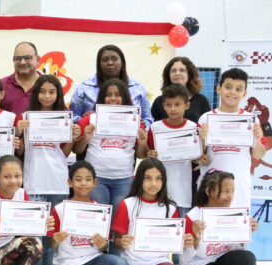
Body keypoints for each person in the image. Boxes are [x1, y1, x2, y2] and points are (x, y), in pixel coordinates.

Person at [16, 75, 81, 265]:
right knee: (35, 231)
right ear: (37, 93)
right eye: (42, 91)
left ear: (58, 95)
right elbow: (21, 151)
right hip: (34, 179)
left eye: (51, 92)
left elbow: (64, 152)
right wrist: (19, 132)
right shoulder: (26, 117)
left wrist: (72, 136)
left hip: (57, 180)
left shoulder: (64, 118)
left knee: (52, 232)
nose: (46, 96)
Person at [111, 158, 190, 265]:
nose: (153, 184)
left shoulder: (171, 208)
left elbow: (175, 242)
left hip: (160, 263)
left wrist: (185, 241)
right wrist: (122, 242)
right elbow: (117, 242)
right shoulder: (127, 204)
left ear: (164, 181)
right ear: (140, 179)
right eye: (148, 178)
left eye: (158, 179)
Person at [50, 161, 129, 265]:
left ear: (95, 182)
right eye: (78, 179)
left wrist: (103, 246)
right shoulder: (59, 209)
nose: (83, 183)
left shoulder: (102, 211)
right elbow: (52, 244)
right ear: (70, 182)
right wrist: (56, 239)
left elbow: (104, 248)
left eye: (88, 179)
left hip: (94, 261)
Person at [182, 170, 258, 265]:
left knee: (248, 258)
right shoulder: (193, 217)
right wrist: (196, 240)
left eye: (232, 191)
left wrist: (246, 233)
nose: (230, 196)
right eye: (225, 191)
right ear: (209, 191)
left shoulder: (234, 213)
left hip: (219, 260)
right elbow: (185, 260)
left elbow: (236, 250)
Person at [74, 78, 149, 214]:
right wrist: (86, 137)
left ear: (124, 97)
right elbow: (76, 149)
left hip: (124, 179)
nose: (113, 98)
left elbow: (141, 155)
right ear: (102, 98)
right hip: (96, 179)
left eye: (117, 94)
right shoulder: (90, 119)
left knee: (118, 223)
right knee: (99, 222)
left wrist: (143, 142)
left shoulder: (135, 121)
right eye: (108, 95)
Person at [198, 68, 268, 209]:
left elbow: (258, 155)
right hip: (211, 186)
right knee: (207, 227)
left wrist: (258, 138)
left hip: (239, 186)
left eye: (238, 89)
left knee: (234, 226)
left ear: (244, 94)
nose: (232, 92)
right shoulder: (206, 118)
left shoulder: (252, 120)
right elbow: (198, 155)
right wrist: (202, 138)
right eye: (228, 87)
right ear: (219, 88)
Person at [147, 84, 205, 216]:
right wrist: (149, 154)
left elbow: (197, 157)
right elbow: (149, 156)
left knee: (180, 233)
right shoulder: (155, 128)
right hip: (158, 193)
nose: (173, 108)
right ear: (164, 106)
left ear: (186, 105)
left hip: (182, 194)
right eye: (169, 104)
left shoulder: (194, 128)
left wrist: (200, 158)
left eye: (177, 104)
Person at [69, 45, 153, 127]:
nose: (110, 63)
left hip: (129, 138)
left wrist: (143, 124)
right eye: (105, 60)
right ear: (99, 64)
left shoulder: (138, 88)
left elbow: (148, 119)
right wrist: (86, 119)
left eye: (114, 59)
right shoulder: (83, 88)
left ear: (122, 62)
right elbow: (72, 117)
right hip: (92, 138)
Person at [151, 56, 211, 123]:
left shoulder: (202, 100)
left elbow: (206, 126)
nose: (177, 73)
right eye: (173, 70)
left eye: (182, 70)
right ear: (168, 75)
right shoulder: (159, 101)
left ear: (189, 74)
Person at [0, 42, 42, 116]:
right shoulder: (1, 85)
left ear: (37, 59)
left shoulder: (49, 85)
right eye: (18, 58)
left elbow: (61, 113)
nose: (22, 62)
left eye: (27, 58)